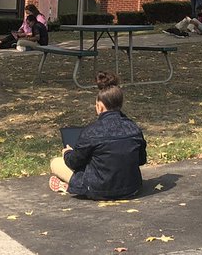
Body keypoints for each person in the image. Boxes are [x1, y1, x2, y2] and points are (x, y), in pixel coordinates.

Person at [48, 72, 147, 200]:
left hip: (98, 189)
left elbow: (74, 162)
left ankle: (71, 185)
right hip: (132, 188)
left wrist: (67, 153)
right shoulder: (134, 128)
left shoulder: (91, 131)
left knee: (55, 163)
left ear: (100, 107)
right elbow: (141, 160)